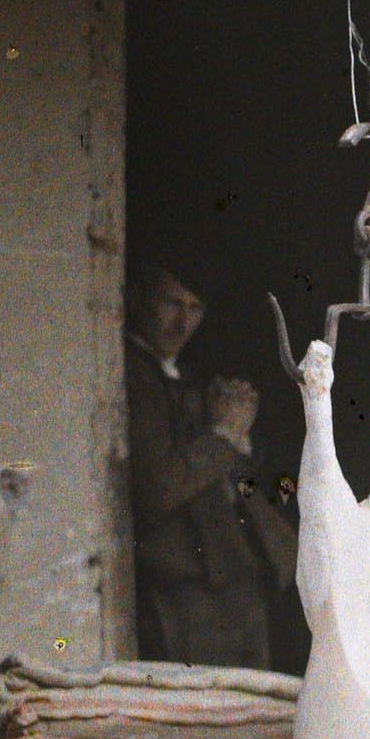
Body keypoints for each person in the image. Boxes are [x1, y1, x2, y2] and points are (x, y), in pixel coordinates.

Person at [123, 261, 297, 668]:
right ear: (138, 299)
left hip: (235, 583)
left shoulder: (189, 377)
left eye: (195, 308)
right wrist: (222, 436)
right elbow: (158, 489)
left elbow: (250, 485)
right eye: (171, 303)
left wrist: (238, 438)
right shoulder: (132, 375)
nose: (183, 322)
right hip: (184, 592)